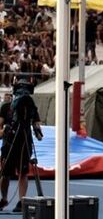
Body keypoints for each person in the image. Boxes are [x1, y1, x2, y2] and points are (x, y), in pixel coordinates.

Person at [0, 82, 44, 213]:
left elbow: (37, 126)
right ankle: (4, 198)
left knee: (23, 173)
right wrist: (5, 131)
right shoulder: (6, 107)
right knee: (5, 173)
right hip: (9, 143)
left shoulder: (31, 107)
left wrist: (38, 132)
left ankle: (22, 201)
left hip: (25, 142)